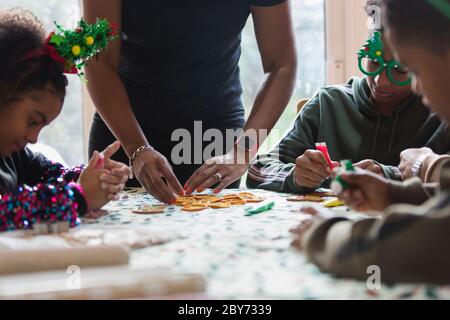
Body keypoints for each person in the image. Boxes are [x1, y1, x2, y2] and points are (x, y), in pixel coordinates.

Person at [291, 0, 450, 284]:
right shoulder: (328, 102)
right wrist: (394, 195)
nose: (415, 85)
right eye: (374, 62)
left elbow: (415, 246)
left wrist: (323, 233)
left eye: (410, 69)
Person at [83, 0, 297, 204]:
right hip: (123, 130)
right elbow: (98, 60)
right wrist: (137, 148)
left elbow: (281, 65)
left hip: (212, 139)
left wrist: (243, 151)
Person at [246, 0, 450, 194]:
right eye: (373, 62)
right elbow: (258, 170)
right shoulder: (328, 104)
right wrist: (295, 176)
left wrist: (393, 175)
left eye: (401, 69)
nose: (381, 81)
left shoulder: (440, 108)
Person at [0, 9, 130, 231]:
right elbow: (6, 213)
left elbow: (48, 173)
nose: (33, 138)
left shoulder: (12, 155)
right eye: (33, 121)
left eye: (41, 127)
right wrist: (79, 197)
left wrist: (90, 176)